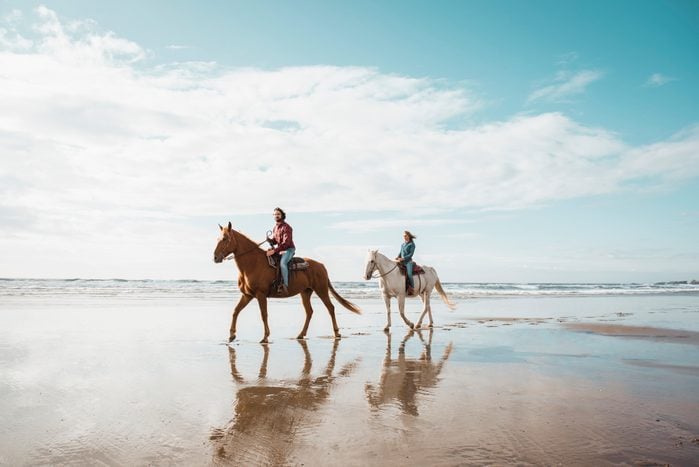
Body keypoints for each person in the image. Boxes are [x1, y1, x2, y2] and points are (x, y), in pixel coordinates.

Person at [266, 207, 296, 293]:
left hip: (289, 249)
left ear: (282, 215)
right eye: (275, 214)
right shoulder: (275, 228)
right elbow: (276, 241)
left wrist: (274, 251)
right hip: (281, 249)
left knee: (283, 263)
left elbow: (286, 243)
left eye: (278, 214)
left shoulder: (287, 227)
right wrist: (270, 240)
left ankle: (285, 285)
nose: (276, 216)